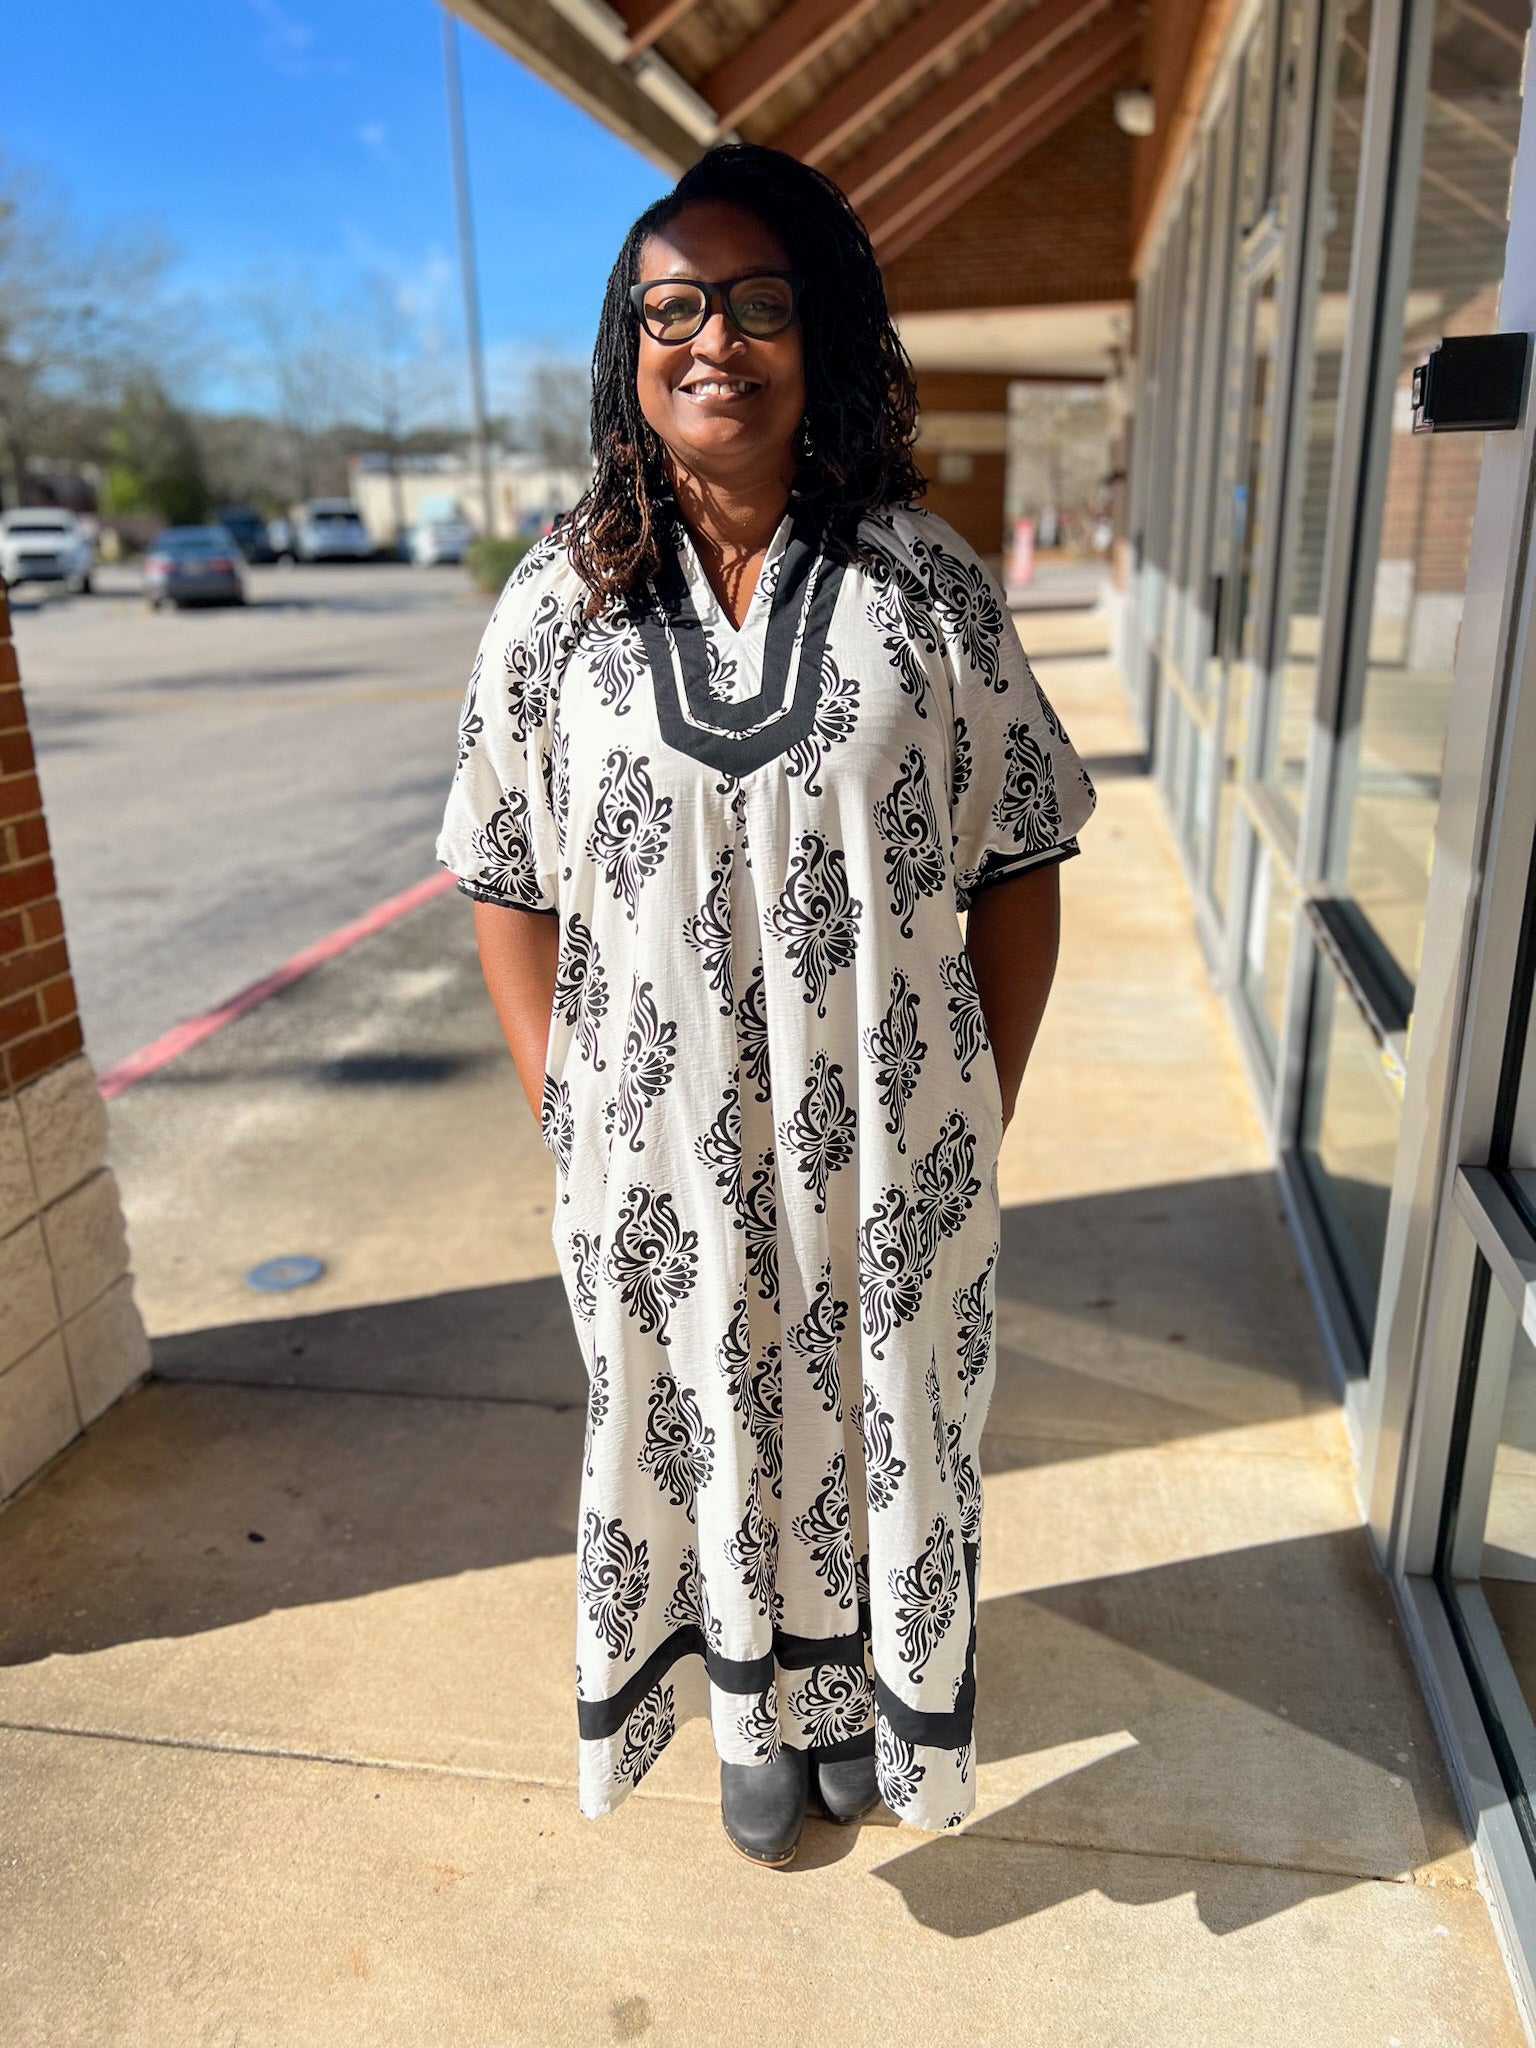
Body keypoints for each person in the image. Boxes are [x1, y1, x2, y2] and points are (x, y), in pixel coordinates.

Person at [436, 142, 1097, 1868]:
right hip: (655, 1164)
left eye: (755, 302)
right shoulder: (557, 602)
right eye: (672, 308)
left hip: (891, 1147)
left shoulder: (925, 584)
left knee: (890, 1415)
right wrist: (568, 1108)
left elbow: (1023, 854)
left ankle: (869, 1699)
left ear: (823, 332)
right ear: (629, 345)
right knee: (702, 1410)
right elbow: (503, 876)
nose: (712, 339)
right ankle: (752, 1712)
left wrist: (974, 1104)